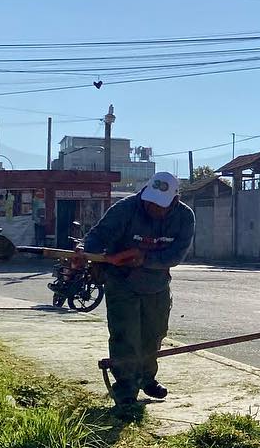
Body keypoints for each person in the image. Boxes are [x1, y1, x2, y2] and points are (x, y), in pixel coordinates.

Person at [81, 172, 195, 408]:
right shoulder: (125, 209)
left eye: (160, 204)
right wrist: (88, 254)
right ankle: (125, 386)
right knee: (126, 334)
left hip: (156, 284)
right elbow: (97, 237)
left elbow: (175, 255)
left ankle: (146, 378)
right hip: (121, 282)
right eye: (150, 201)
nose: (153, 207)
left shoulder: (185, 217)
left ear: (174, 199)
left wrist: (144, 259)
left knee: (154, 334)